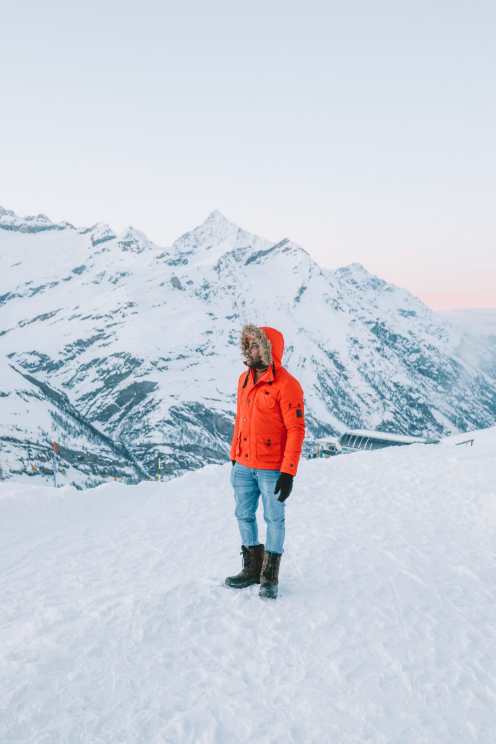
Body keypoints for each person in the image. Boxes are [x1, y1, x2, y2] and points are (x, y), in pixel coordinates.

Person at [225, 324, 305, 599]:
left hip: (272, 468)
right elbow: (241, 421)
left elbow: (296, 430)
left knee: (274, 519)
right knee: (243, 515)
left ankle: (269, 576)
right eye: (248, 345)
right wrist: (234, 457)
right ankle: (252, 567)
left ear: (270, 350)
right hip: (244, 465)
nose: (251, 350)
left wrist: (288, 472)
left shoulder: (288, 385)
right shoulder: (243, 380)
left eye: (256, 345)